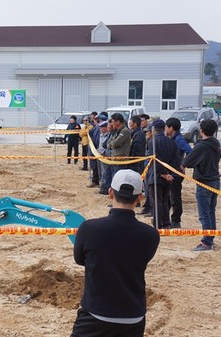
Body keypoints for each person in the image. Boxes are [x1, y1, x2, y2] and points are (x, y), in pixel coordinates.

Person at [71, 169, 159, 337]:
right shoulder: (151, 234)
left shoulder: (89, 228)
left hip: (95, 314)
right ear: (140, 197)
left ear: (110, 193)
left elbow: (80, 259)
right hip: (133, 316)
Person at [182, 119, 220, 251]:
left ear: (201, 131)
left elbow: (187, 162)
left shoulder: (201, 146)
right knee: (210, 212)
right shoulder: (216, 144)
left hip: (204, 182)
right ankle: (209, 238)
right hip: (215, 181)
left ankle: (206, 242)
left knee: (204, 213)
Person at [145, 119, 180, 229]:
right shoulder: (172, 141)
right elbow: (176, 159)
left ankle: (158, 224)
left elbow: (154, 160)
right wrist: (169, 173)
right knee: (165, 200)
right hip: (167, 176)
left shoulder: (153, 142)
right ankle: (166, 223)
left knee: (156, 202)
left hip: (156, 175)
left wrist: (161, 173)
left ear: (153, 129)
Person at [164, 117, 192, 229]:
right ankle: (168, 219)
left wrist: (183, 163)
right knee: (168, 197)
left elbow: (190, 152)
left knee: (175, 198)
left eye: (167, 127)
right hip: (170, 171)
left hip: (176, 173)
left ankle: (176, 221)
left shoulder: (179, 140)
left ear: (171, 128)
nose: (165, 129)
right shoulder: (171, 138)